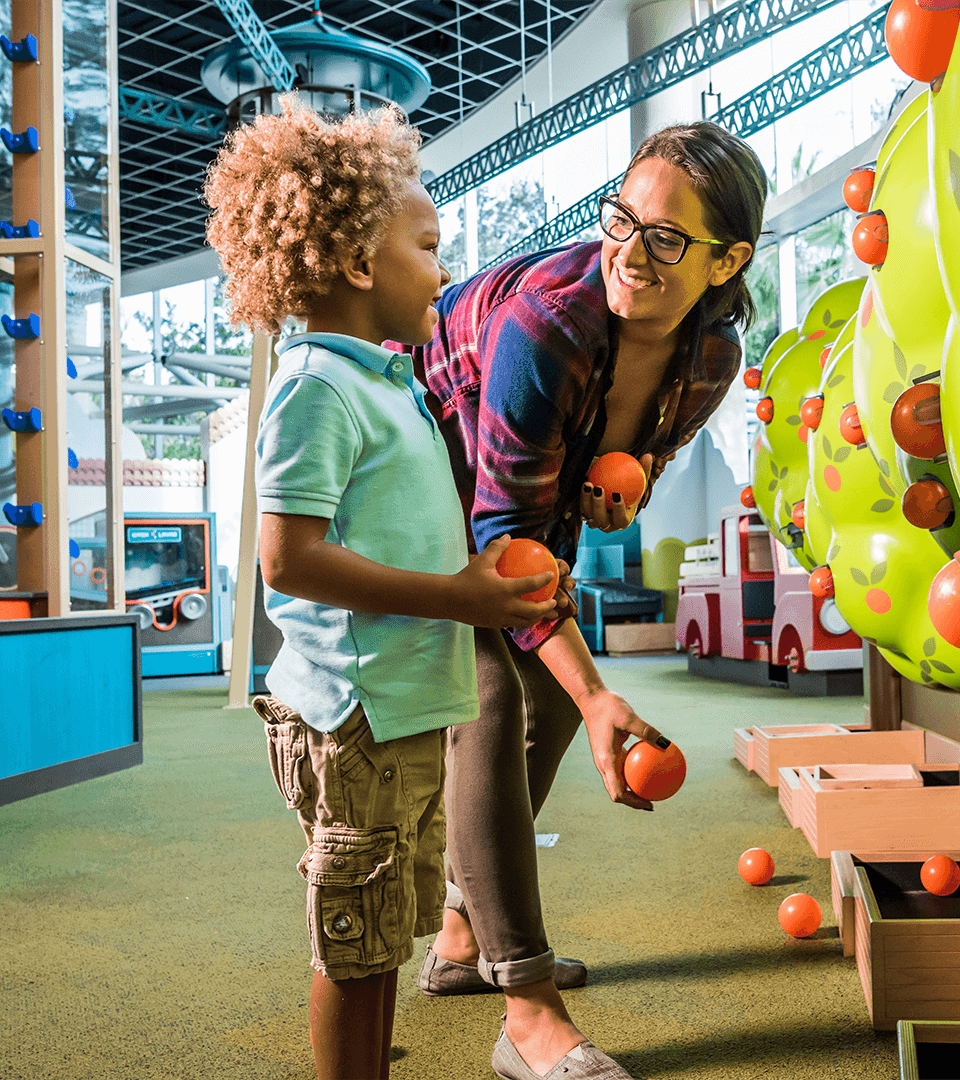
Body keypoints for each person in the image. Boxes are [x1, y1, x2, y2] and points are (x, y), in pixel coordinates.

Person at [204, 100, 563, 1080]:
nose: (443, 269)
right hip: (352, 720)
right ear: (361, 265)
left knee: (385, 934)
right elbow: (288, 558)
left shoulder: (387, 381)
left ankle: (362, 1050)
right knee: (356, 941)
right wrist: (463, 599)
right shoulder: (317, 386)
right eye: (428, 245)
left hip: (403, 710)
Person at [407, 121, 769, 1080]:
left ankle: (460, 939)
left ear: (727, 261)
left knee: (554, 706)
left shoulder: (712, 354)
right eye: (622, 219)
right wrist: (603, 691)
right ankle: (525, 1007)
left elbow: (644, 452)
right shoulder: (548, 323)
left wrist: (634, 474)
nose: (630, 253)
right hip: (430, 455)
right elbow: (504, 544)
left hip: (532, 480)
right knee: (490, 695)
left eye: (666, 239)